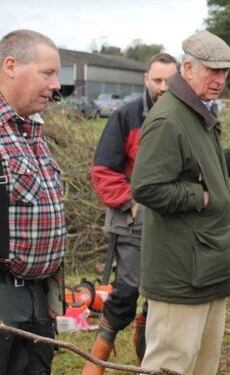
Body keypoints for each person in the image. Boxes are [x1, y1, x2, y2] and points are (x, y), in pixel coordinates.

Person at [130, 31, 230, 375]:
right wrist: (201, 196)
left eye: (225, 73)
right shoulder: (168, 119)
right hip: (179, 275)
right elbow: (147, 188)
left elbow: (200, 165)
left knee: (203, 367)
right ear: (188, 68)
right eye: (213, 71)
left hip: (209, 265)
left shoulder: (198, 111)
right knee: (170, 367)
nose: (220, 80)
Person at [82, 53, 178, 373]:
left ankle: (147, 360)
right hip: (131, 221)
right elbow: (103, 171)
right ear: (146, 80)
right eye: (158, 80)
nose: (164, 87)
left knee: (161, 296)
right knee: (128, 291)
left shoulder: (185, 116)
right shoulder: (125, 117)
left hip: (172, 222)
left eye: (170, 80)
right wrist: (133, 204)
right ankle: (96, 364)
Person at [0, 30, 66, 374]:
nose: (56, 84)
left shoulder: (31, 131)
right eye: (47, 73)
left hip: (36, 303)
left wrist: (53, 292)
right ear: (11, 66)